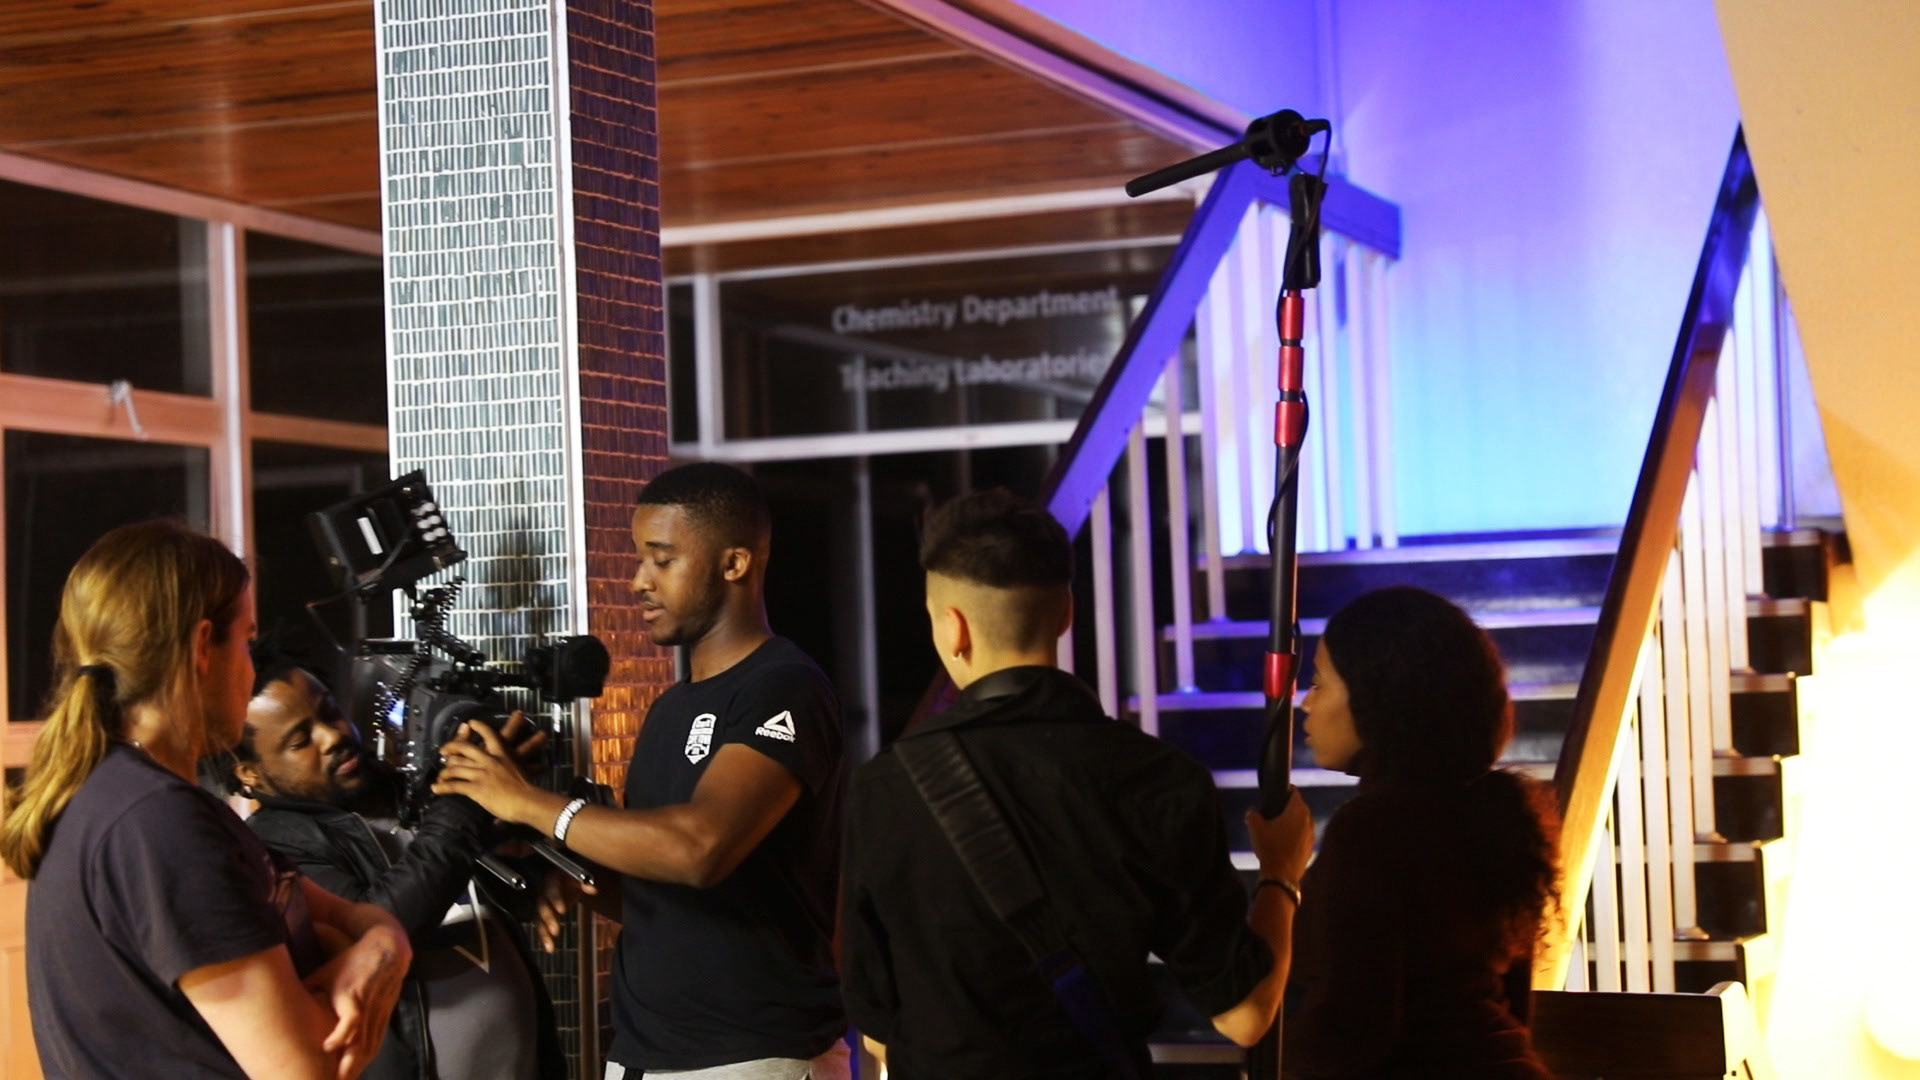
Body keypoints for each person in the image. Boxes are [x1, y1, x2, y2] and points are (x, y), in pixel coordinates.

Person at [838, 488, 1316, 1077]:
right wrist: (1280, 874)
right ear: (1066, 613)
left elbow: (879, 1034)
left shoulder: (885, 788)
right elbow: (1244, 1014)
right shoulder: (1159, 780)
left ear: (952, 627)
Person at [434, 461, 848, 1079]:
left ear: (735, 564)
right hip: (644, 1053)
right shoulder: (670, 708)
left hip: (752, 1054)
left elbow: (699, 848)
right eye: (639, 560)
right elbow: (669, 891)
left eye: (662, 560)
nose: (638, 582)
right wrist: (573, 875)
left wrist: (528, 803)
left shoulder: (784, 687)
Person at [0, 519, 411, 1080]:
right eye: (246, 640)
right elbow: (309, 1066)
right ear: (201, 647)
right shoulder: (155, 822)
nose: (251, 664)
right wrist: (358, 961)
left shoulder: (139, 798)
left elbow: (352, 917)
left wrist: (381, 946)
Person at [208, 655, 568, 1080]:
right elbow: (377, 929)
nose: (332, 735)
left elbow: (462, 888)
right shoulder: (273, 849)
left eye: (329, 711)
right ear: (250, 773)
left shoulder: (411, 790)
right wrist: (466, 803)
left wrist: (534, 877)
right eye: (301, 740)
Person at [1286, 585, 1560, 1078]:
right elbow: (1513, 1006)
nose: (1305, 703)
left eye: (1320, 682)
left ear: (1377, 697)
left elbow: (1352, 1028)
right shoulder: (1492, 813)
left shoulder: (1372, 830)